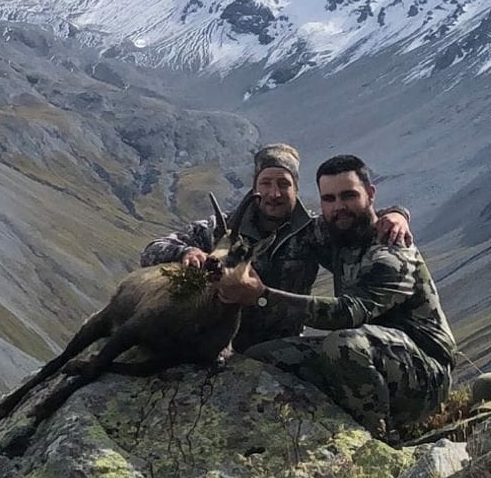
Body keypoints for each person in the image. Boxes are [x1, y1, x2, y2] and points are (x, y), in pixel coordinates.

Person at [216, 153, 457, 442]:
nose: (338, 207)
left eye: (348, 195)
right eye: (329, 199)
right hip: (367, 355)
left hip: (423, 374)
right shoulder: (335, 233)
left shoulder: (391, 251)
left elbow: (348, 313)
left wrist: (262, 296)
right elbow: (280, 232)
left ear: (370, 194)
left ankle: (375, 441)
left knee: (344, 344)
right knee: (265, 357)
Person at [139, 143, 412, 353]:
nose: (274, 193)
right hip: (213, 342)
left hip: (283, 349)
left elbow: (354, 219)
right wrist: (187, 253)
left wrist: (397, 214)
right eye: (266, 183)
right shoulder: (220, 229)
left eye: (284, 184)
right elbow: (153, 250)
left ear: (295, 187)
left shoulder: (313, 232)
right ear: (254, 187)